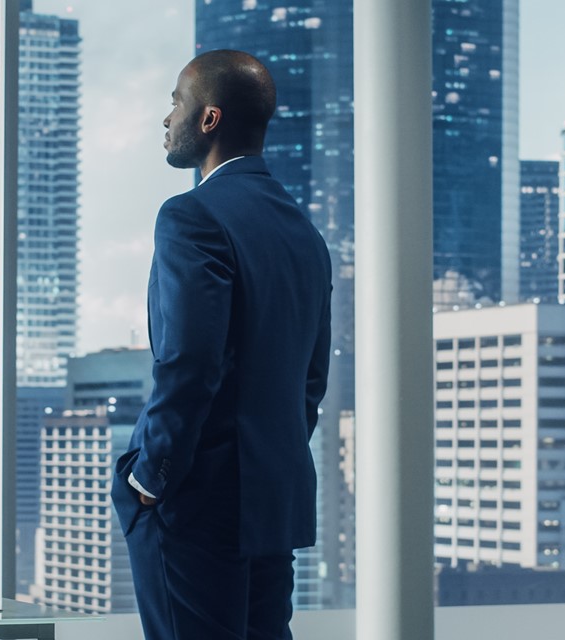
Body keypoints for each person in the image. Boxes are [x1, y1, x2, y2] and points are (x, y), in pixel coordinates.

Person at [110, 49, 332, 640]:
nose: (167, 119)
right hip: (270, 499)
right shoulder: (304, 233)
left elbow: (189, 361)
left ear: (208, 118)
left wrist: (148, 479)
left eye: (175, 103)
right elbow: (311, 380)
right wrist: (263, 455)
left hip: (197, 501)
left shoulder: (192, 217)